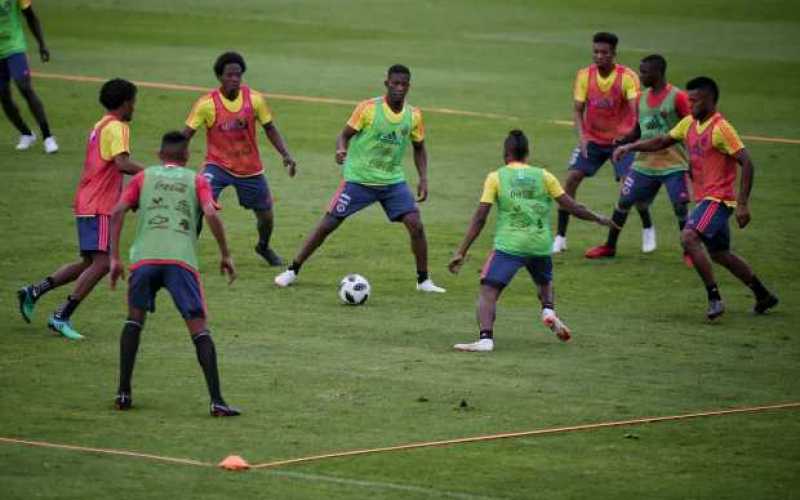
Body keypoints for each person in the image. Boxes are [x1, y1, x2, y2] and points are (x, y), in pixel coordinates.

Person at [613, 77, 779, 320]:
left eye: (695, 100)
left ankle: (714, 298)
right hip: (706, 199)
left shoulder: (721, 128)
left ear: (710, 100)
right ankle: (763, 295)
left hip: (719, 199)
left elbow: (747, 162)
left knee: (689, 236)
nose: (689, 104)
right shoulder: (689, 123)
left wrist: (743, 204)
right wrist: (630, 147)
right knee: (720, 254)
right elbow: (662, 141)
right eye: (688, 99)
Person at [274, 64, 445, 293]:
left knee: (416, 225)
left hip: (392, 181)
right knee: (328, 224)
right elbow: (343, 136)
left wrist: (423, 178)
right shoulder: (368, 108)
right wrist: (340, 150)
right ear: (386, 84)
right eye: (395, 83)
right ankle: (292, 270)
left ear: (409, 87)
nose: (399, 88)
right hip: (359, 180)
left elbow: (419, 147)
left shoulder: (413, 115)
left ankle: (423, 280)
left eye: (403, 84)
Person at [448, 130, 618, 352]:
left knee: (488, 290)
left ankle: (485, 339)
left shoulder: (496, 177)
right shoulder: (544, 176)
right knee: (544, 281)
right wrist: (598, 218)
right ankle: (548, 310)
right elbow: (571, 205)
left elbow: (480, 217)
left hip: (510, 245)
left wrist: (461, 251)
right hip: (540, 244)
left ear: (506, 153)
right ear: (527, 153)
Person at [109, 131, 240, 417]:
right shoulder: (197, 180)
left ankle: (123, 393)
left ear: (159, 154)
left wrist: (114, 258)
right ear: (186, 156)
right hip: (180, 262)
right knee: (199, 330)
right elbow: (212, 214)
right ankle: (217, 401)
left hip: (144, 260)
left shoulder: (144, 177)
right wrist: (225, 254)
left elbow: (117, 210)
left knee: (134, 322)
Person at [17, 78, 143, 339]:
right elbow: (121, 163)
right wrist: (152, 173)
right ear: (125, 103)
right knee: (104, 262)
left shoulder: (101, 124)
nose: (135, 107)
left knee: (88, 261)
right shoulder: (118, 127)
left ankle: (34, 291)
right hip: (100, 204)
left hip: (86, 201)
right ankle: (61, 315)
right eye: (134, 102)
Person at [183, 51, 296, 266]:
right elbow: (186, 134)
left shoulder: (254, 99)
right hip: (217, 165)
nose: (234, 79)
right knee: (197, 204)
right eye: (229, 75)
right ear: (219, 77)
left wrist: (285, 154)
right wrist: (176, 162)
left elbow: (270, 128)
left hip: (249, 168)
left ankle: (263, 246)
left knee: (266, 216)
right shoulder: (206, 104)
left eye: (238, 75)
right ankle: (186, 251)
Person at [585, 54, 692, 261]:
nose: (640, 75)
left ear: (658, 73)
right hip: (645, 163)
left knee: (680, 207)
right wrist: (622, 142)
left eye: (644, 72)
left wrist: (695, 160)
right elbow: (638, 130)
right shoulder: (642, 98)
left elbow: (691, 127)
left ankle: (689, 251)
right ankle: (610, 246)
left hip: (674, 163)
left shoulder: (677, 97)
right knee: (624, 201)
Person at [554, 32, 651, 253]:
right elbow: (578, 110)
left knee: (629, 188)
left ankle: (647, 226)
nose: (599, 56)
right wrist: (582, 137)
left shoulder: (627, 77)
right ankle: (560, 236)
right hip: (593, 139)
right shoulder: (584, 76)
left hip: (621, 141)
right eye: (596, 52)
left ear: (614, 54)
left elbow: (637, 110)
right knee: (570, 181)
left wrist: (631, 140)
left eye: (604, 52)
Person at [0, 0, 57, 153]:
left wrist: (42, 44)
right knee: (3, 95)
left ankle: (47, 136)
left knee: (23, 86)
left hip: (14, 45)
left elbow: (30, 16)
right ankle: (26, 133)